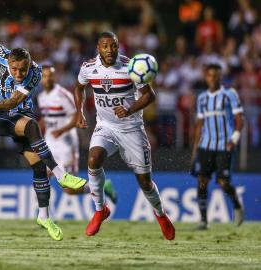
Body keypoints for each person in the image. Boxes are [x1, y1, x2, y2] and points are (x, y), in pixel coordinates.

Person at [0, 27, 87, 241]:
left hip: (16, 112)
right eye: (14, 69)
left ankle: (44, 217)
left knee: (38, 166)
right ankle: (62, 175)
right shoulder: (2, 55)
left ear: (28, 65)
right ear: (8, 62)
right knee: (32, 126)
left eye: (21, 70)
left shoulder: (35, 73)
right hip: (0, 118)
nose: (18, 74)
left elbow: (14, 101)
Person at [74, 31, 175, 240]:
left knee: (145, 182)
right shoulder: (88, 67)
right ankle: (100, 209)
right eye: (105, 46)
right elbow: (79, 87)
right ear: (98, 48)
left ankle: (160, 214)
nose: (110, 50)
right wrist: (79, 111)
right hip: (106, 127)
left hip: (132, 129)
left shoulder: (130, 67)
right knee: (93, 159)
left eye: (114, 46)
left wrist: (129, 109)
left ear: (118, 47)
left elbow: (150, 95)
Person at [38, 65, 117, 203]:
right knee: (41, 177)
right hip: (50, 144)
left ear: (54, 77)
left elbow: (77, 115)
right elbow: (48, 117)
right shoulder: (41, 97)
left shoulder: (62, 95)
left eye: (50, 75)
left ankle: (102, 187)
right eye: (44, 76)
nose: (47, 78)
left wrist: (61, 130)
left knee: (68, 190)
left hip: (65, 146)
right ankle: (46, 217)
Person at [191, 63, 244, 230]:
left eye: (216, 76)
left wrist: (234, 138)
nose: (213, 79)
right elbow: (199, 125)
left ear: (221, 77)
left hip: (224, 145)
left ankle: (237, 205)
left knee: (222, 182)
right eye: (210, 75)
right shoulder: (202, 98)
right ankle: (203, 221)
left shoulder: (230, 94)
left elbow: (239, 119)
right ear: (206, 77)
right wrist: (194, 150)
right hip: (205, 146)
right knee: (202, 182)